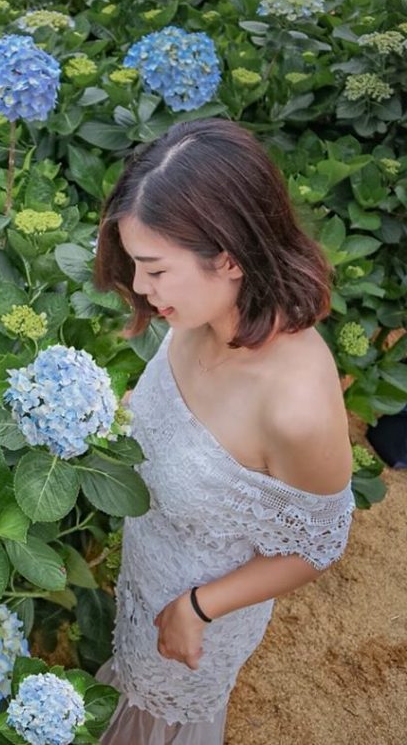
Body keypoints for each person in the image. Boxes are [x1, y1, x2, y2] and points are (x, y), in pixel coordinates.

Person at [90, 118, 356, 745]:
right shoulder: (201, 313)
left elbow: (317, 545)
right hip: (146, 569)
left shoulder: (295, 407)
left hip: (196, 620)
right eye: (134, 264)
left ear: (230, 258)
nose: (138, 287)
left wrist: (197, 608)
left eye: (154, 268)